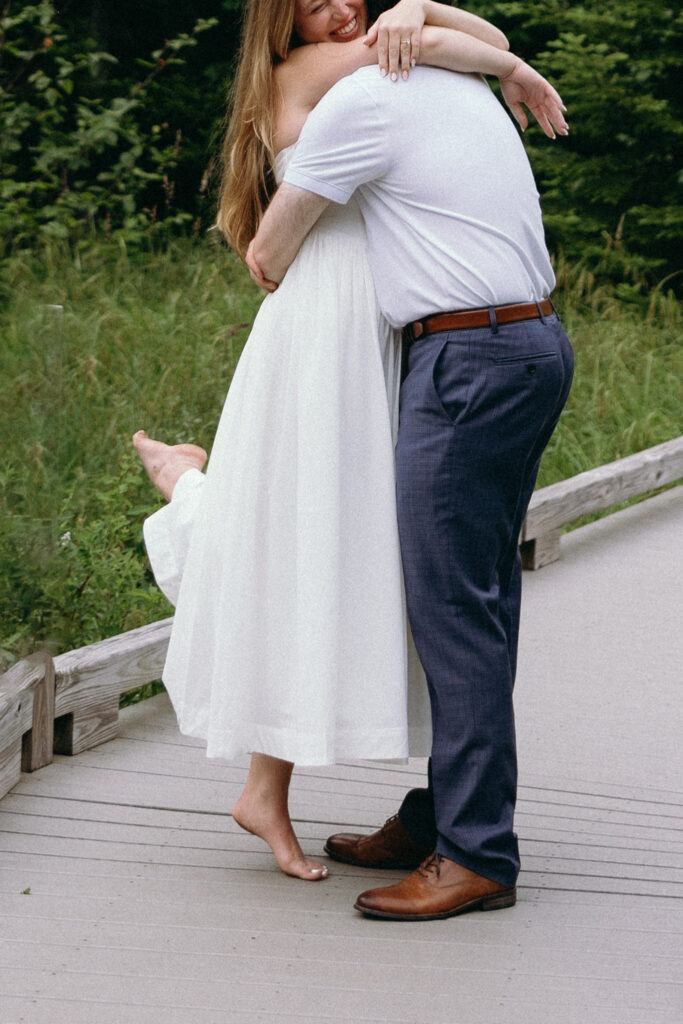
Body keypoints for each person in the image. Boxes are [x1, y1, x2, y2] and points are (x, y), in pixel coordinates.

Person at [134, 0, 567, 884]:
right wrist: (501, 62)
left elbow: (439, 49)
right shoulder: (321, 75)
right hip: (332, 326)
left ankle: (421, 811)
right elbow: (467, 48)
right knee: (311, 530)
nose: (344, 11)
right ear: (278, 18)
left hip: (389, 330)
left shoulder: (349, 83)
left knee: (344, 541)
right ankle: (185, 489)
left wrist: (425, 14)